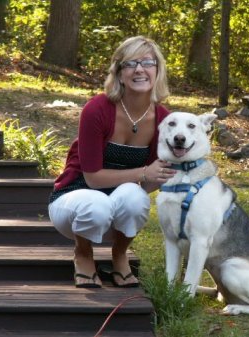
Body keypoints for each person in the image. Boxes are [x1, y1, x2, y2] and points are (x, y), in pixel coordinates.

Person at [48, 36, 175, 288]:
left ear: (158, 71)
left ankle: (120, 255)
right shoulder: (97, 109)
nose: (139, 69)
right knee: (96, 203)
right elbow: (93, 178)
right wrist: (144, 172)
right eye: (130, 64)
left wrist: (154, 175)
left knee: (136, 198)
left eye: (148, 62)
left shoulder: (165, 120)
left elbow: (153, 179)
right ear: (119, 73)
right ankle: (83, 254)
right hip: (74, 204)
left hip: (116, 217)